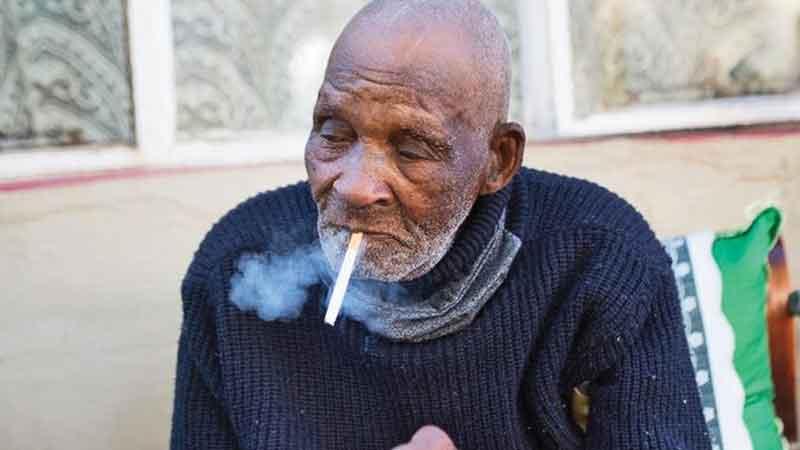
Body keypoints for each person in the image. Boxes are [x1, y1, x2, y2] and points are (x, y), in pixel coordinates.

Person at [170, 1, 710, 449]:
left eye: (410, 149)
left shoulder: (599, 261)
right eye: (333, 134)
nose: (356, 186)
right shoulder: (233, 271)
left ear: (497, 160)